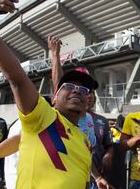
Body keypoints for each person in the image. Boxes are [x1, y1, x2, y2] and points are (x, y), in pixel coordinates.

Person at [0, 0, 93, 188]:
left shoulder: (85, 143)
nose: (77, 90)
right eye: (68, 86)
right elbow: (16, 77)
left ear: (87, 104)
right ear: (54, 98)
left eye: (83, 89)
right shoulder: (43, 118)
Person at [49, 35, 114, 189]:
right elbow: (58, 85)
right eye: (72, 88)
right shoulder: (62, 117)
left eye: (86, 90)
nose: (81, 93)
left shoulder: (92, 120)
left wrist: (98, 177)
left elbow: (85, 154)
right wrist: (55, 55)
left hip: (87, 181)